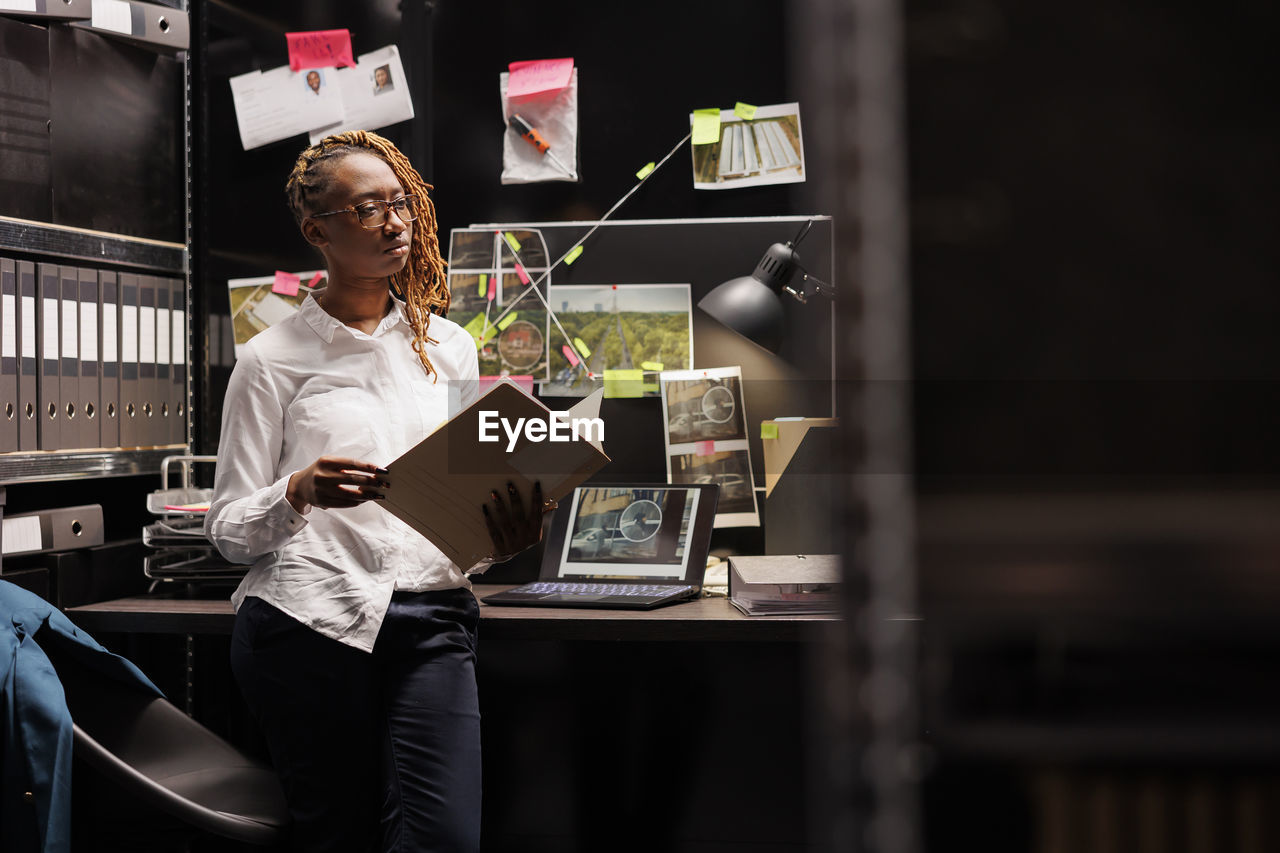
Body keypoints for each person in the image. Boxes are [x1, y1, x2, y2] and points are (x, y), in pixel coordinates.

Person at [205, 129, 546, 853]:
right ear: (316, 231)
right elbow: (229, 530)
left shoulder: (448, 347)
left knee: (445, 840)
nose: (394, 223)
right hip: (308, 622)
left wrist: (501, 537)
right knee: (341, 835)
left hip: (433, 621)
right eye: (367, 209)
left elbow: (461, 510)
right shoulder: (269, 361)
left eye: (400, 204)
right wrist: (296, 490)